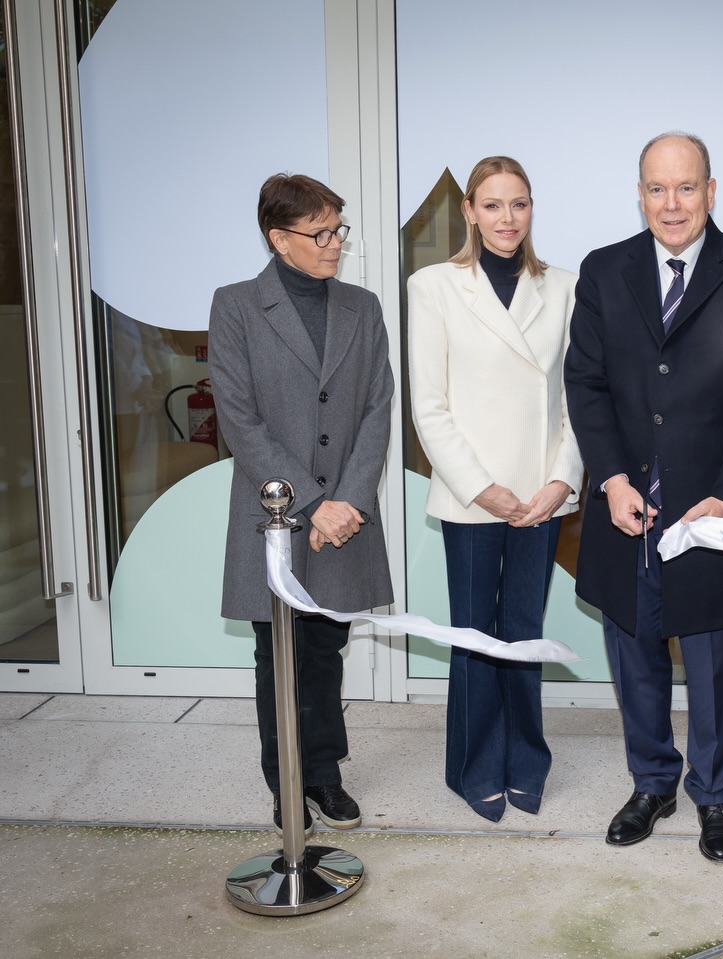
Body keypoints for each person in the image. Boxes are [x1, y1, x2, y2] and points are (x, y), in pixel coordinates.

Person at [564, 132, 723, 864]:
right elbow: (586, 382)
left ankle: (714, 793)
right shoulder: (604, 271)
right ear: (639, 194)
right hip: (628, 503)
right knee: (634, 654)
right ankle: (652, 781)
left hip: (710, 513)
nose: (671, 204)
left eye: (686, 188)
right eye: (657, 189)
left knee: (714, 660)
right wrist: (611, 478)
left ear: (712, 191)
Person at [209, 173, 394, 834]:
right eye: (321, 233)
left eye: (338, 229)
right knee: (277, 654)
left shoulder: (362, 307)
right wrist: (313, 502)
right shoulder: (235, 307)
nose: (335, 243)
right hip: (277, 517)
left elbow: (377, 408)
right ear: (278, 237)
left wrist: (347, 500)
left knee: (325, 647)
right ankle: (285, 781)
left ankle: (325, 773)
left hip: (346, 514)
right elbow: (239, 419)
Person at [407, 156, 581, 822]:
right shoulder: (434, 286)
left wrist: (562, 479)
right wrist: (483, 489)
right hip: (472, 495)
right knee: (477, 632)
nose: (507, 219)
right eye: (493, 205)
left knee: (523, 631)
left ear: (532, 210)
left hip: (540, 494)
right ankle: (474, 764)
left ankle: (526, 760)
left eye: (520, 204)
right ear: (470, 212)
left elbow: (578, 400)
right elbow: (430, 406)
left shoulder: (563, 287)